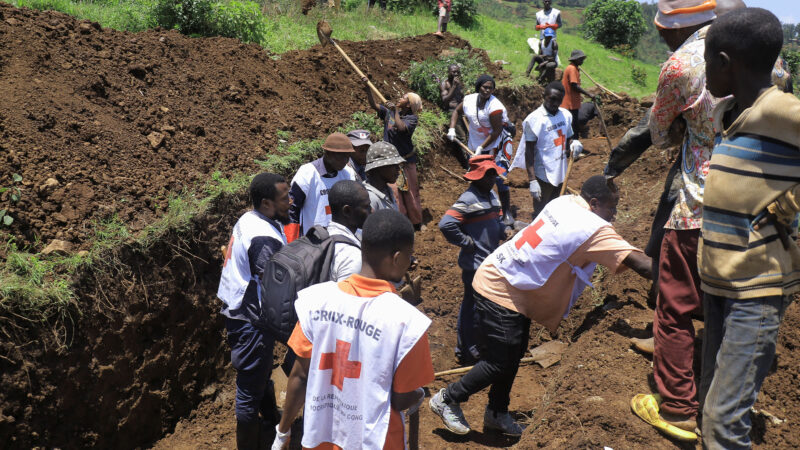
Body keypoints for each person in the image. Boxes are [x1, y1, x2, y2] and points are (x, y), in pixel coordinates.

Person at [430, 176, 653, 437]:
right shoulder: (593, 227)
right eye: (612, 207)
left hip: (510, 281)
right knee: (500, 361)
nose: (614, 214)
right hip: (500, 288)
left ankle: (496, 413)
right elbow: (643, 265)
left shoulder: (565, 202)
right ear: (594, 203)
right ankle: (447, 398)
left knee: (514, 354)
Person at [698, 8, 800, 448]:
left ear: (725, 62)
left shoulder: (780, 108)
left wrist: (793, 202)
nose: (703, 71)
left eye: (705, 61)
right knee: (711, 407)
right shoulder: (735, 113)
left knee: (723, 421)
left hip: (756, 290)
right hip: (722, 285)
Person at [629, 0, 719, 438]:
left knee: (675, 300)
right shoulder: (766, 55)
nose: (663, 37)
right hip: (756, 201)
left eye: (665, 29)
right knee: (725, 302)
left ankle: (679, 407)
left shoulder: (681, 64)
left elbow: (660, 132)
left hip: (701, 199)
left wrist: (685, 131)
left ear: (683, 25)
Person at [272, 209, 434, 450]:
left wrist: (282, 433)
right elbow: (401, 399)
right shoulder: (407, 323)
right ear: (397, 257)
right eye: (410, 257)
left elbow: (300, 376)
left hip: (320, 440)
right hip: (376, 442)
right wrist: (418, 395)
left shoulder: (316, 301)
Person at [217, 173, 291, 449]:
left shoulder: (251, 219)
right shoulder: (262, 237)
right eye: (285, 199)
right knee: (248, 393)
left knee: (260, 372)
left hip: (243, 310)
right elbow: (276, 282)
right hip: (251, 321)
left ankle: (271, 418)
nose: (290, 202)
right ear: (266, 203)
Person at [439, 155, 507, 366]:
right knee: (473, 308)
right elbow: (446, 224)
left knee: (478, 306)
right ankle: (468, 349)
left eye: (494, 174)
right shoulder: (469, 199)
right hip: (475, 265)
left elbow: (498, 218)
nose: (492, 179)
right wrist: (467, 242)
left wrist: (503, 231)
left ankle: (472, 345)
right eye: (488, 175)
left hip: (489, 262)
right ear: (477, 178)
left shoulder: (492, 196)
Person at [447, 74, 514, 225]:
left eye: (491, 88)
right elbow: (457, 112)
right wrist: (452, 128)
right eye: (485, 87)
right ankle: (481, 210)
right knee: (478, 176)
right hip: (476, 143)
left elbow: (496, 131)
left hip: (497, 144)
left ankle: (507, 212)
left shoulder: (495, 107)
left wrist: (482, 147)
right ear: (479, 87)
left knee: (499, 177)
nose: (487, 90)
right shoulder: (469, 100)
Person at [511, 81, 582, 219]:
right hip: (543, 174)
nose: (555, 103)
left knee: (557, 210)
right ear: (544, 96)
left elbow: (569, 138)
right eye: (552, 99)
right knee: (541, 214)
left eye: (559, 100)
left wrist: (574, 144)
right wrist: (532, 180)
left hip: (561, 170)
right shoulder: (534, 120)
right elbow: (529, 151)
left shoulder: (566, 115)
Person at [363, 79, 424, 230]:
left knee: (411, 192)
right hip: (390, 162)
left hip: (406, 160)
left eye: (404, 98)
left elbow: (402, 128)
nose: (400, 98)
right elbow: (374, 105)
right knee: (395, 192)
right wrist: (368, 88)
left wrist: (395, 111)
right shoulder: (389, 113)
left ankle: (417, 222)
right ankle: (400, 221)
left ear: (409, 105)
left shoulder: (412, 118)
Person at [286, 132, 356, 242]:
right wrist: (291, 243)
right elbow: (292, 210)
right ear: (328, 153)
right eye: (341, 156)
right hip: (312, 241)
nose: (345, 161)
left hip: (340, 240)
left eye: (347, 156)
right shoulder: (307, 173)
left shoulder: (348, 173)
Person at [327, 180, 371, 282]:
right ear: (347, 211)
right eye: (366, 206)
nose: (371, 210)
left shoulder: (326, 235)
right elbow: (349, 297)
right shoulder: (351, 257)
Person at [560, 49, 599, 138]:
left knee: (573, 126)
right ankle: (571, 145)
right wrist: (589, 94)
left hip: (572, 102)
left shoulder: (574, 68)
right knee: (573, 126)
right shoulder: (572, 69)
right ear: (576, 59)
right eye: (581, 59)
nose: (582, 61)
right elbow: (575, 86)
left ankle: (570, 145)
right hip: (569, 103)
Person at [439, 64, 469, 169]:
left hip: (462, 112)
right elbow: (445, 100)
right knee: (462, 137)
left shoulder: (460, 83)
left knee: (470, 135)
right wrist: (454, 87)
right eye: (453, 72)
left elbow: (462, 97)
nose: (456, 74)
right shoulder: (445, 84)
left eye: (457, 72)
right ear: (448, 72)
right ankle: (467, 164)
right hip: (451, 112)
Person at [364, 141, 405, 212]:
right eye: (393, 165)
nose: (398, 169)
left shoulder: (387, 190)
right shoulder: (370, 198)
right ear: (379, 167)